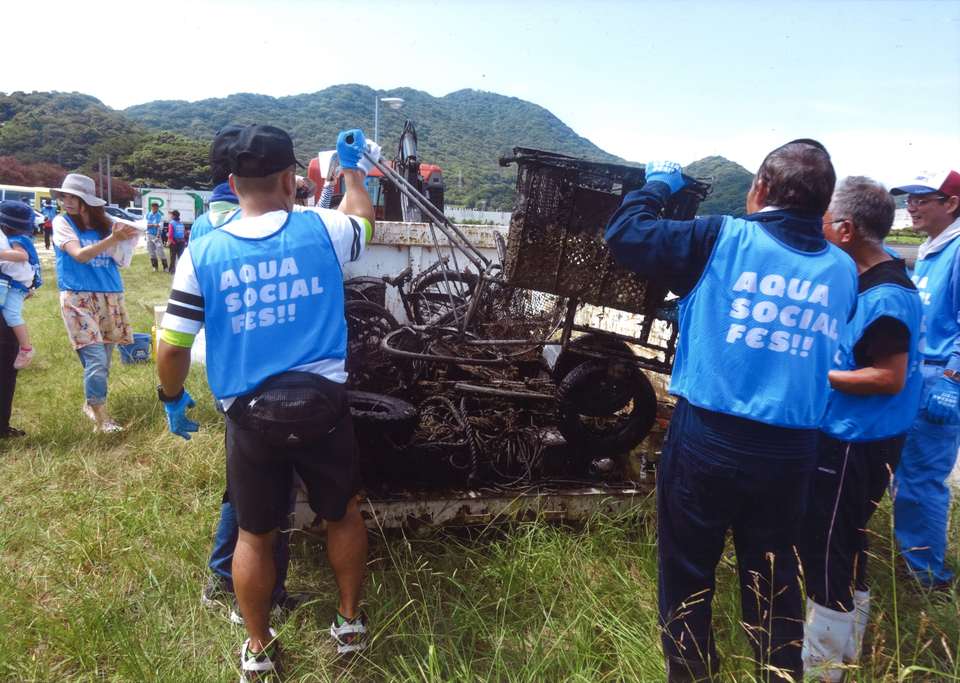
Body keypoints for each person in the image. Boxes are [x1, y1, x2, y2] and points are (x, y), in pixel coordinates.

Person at [604, 140, 857, 682]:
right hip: (792, 451)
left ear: (761, 189)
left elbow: (625, 235)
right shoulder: (842, 269)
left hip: (710, 441)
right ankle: (779, 673)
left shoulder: (722, 237)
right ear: (824, 203)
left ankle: (692, 674)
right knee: (774, 578)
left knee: (687, 572)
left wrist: (658, 185)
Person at [156, 124, 376, 680]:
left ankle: (257, 649)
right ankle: (349, 623)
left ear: (231, 183)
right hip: (326, 409)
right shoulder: (323, 229)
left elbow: (172, 344)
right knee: (342, 513)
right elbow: (364, 220)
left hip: (250, 416)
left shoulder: (200, 253)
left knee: (255, 533)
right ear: (290, 179)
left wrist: (173, 398)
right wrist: (353, 170)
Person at [798, 177, 922, 681]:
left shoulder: (886, 295)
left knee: (825, 546)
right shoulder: (874, 278)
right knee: (849, 539)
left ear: (845, 229)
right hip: (868, 437)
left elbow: (889, 376)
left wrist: (815, 372)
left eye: (823, 221)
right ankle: (849, 647)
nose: (819, 229)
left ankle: (821, 668)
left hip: (855, 441)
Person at [889, 169, 960, 590]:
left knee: (921, 480)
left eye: (922, 199)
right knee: (907, 476)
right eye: (908, 199)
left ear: (950, 203)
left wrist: (953, 378)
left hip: (940, 379)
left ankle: (929, 580)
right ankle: (915, 562)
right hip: (919, 374)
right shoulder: (935, 248)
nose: (911, 206)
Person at [51, 173, 140, 433]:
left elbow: (127, 251)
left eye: (72, 197)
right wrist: (115, 239)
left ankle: (91, 405)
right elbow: (78, 255)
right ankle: (103, 421)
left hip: (110, 294)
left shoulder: (109, 224)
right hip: (77, 296)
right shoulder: (62, 222)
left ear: (86, 201)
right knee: (96, 359)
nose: (66, 201)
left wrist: (129, 235)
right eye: (64, 196)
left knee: (104, 361)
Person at [0, 201, 43, 369]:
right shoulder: (17, 237)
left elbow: (22, 256)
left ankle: (26, 348)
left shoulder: (18, 240)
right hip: (18, 284)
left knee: (11, 315)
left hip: (18, 285)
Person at [145, 202, 169, 272]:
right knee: (151, 252)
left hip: (157, 236)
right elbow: (144, 225)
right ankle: (155, 267)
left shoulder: (160, 216)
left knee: (160, 252)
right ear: (152, 207)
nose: (155, 209)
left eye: (157, 207)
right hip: (149, 235)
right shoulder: (147, 215)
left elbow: (160, 226)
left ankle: (165, 267)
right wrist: (153, 225)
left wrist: (157, 235)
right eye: (154, 207)